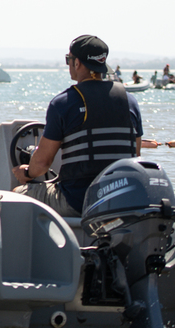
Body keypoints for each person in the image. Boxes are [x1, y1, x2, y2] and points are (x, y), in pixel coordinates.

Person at [12, 35, 142, 218]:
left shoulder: (63, 103)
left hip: (78, 201)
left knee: (17, 194)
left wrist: (26, 172)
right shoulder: (130, 101)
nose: (69, 65)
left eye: (69, 60)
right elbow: (135, 154)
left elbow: (42, 164)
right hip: (121, 199)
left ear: (77, 63)